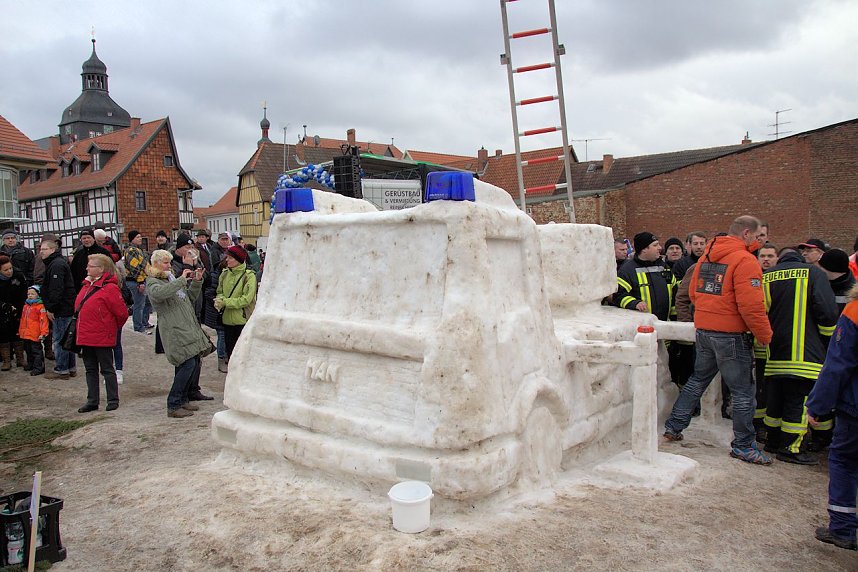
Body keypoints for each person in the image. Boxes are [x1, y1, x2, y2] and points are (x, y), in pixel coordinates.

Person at [663, 216, 773, 465]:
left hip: (705, 330)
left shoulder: (707, 257)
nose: (758, 242)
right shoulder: (745, 261)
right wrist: (764, 335)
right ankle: (744, 445)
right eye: (757, 237)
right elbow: (752, 305)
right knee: (744, 391)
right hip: (731, 334)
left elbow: (692, 292)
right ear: (746, 233)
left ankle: (674, 426)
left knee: (697, 379)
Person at [762, 248, 838, 465]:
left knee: (775, 400)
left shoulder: (767, 276)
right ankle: (791, 448)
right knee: (799, 401)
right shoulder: (813, 274)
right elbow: (827, 311)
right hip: (806, 355)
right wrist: (827, 340)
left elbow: (760, 311)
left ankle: (773, 441)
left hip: (774, 354)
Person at [806, 283, 858, 551]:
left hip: (855, 409)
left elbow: (837, 366)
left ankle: (843, 528)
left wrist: (817, 406)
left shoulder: (854, 311)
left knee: (844, 461)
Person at [146, 249, 213, 418]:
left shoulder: (170, 279)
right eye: (165, 262)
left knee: (190, 363)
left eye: (169, 262)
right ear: (156, 264)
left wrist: (196, 282)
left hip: (186, 327)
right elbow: (159, 294)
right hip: (175, 330)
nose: (169, 265)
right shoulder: (153, 282)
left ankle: (182, 400)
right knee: (187, 364)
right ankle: (173, 403)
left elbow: (188, 298)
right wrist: (182, 280)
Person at [75, 254, 128, 413]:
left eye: (90, 266)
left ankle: (112, 399)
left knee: (107, 369)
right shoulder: (86, 285)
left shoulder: (110, 288)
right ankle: (92, 401)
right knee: (90, 369)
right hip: (86, 336)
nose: (87, 268)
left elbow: (122, 313)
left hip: (102, 336)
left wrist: (110, 328)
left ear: (101, 269)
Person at [613, 231, 676, 321]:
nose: (660, 248)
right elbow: (618, 296)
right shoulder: (627, 270)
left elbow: (675, 295)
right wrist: (634, 303)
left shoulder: (664, 267)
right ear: (644, 249)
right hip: (640, 327)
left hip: (665, 325)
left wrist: (674, 318)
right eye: (655, 245)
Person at [41, 239, 77, 379]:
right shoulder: (57, 263)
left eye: (44, 249)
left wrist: (51, 308)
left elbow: (56, 289)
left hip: (61, 308)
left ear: (52, 250)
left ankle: (62, 369)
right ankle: (70, 367)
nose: (41, 252)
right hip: (65, 306)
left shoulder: (56, 265)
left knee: (61, 339)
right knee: (68, 338)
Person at [215, 245, 257, 366]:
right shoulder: (224, 274)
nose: (226, 260)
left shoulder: (249, 276)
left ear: (238, 259)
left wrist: (225, 302)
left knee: (243, 355)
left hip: (242, 320)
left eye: (229, 258)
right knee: (231, 354)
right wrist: (219, 300)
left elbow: (246, 299)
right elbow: (220, 291)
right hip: (227, 320)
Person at [0, 255, 28, 371]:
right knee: (3, 335)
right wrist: (5, 306)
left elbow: (24, 292)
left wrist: (19, 308)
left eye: (10, 268)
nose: (9, 271)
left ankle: (20, 358)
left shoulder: (18, 275)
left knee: (17, 333)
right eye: (5, 270)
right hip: (2, 310)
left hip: (18, 308)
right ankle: (6, 360)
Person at [123, 231, 152, 333]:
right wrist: (140, 282)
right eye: (137, 237)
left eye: (140, 237)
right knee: (139, 304)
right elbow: (134, 268)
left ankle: (144, 322)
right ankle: (139, 327)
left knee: (147, 302)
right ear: (132, 239)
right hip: (135, 281)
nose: (140, 238)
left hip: (143, 279)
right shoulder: (131, 250)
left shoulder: (139, 250)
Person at [18, 285, 49, 376]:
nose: (30, 295)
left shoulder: (40, 307)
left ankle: (39, 367)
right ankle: (31, 364)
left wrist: (43, 333)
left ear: (38, 295)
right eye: (28, 294)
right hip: (26, 333)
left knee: (36, 351)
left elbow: (43, 321)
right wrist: (20, 331)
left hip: (35, 334)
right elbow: (23, 320)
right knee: (28, 350)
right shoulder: (26, 306)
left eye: (32, 294)